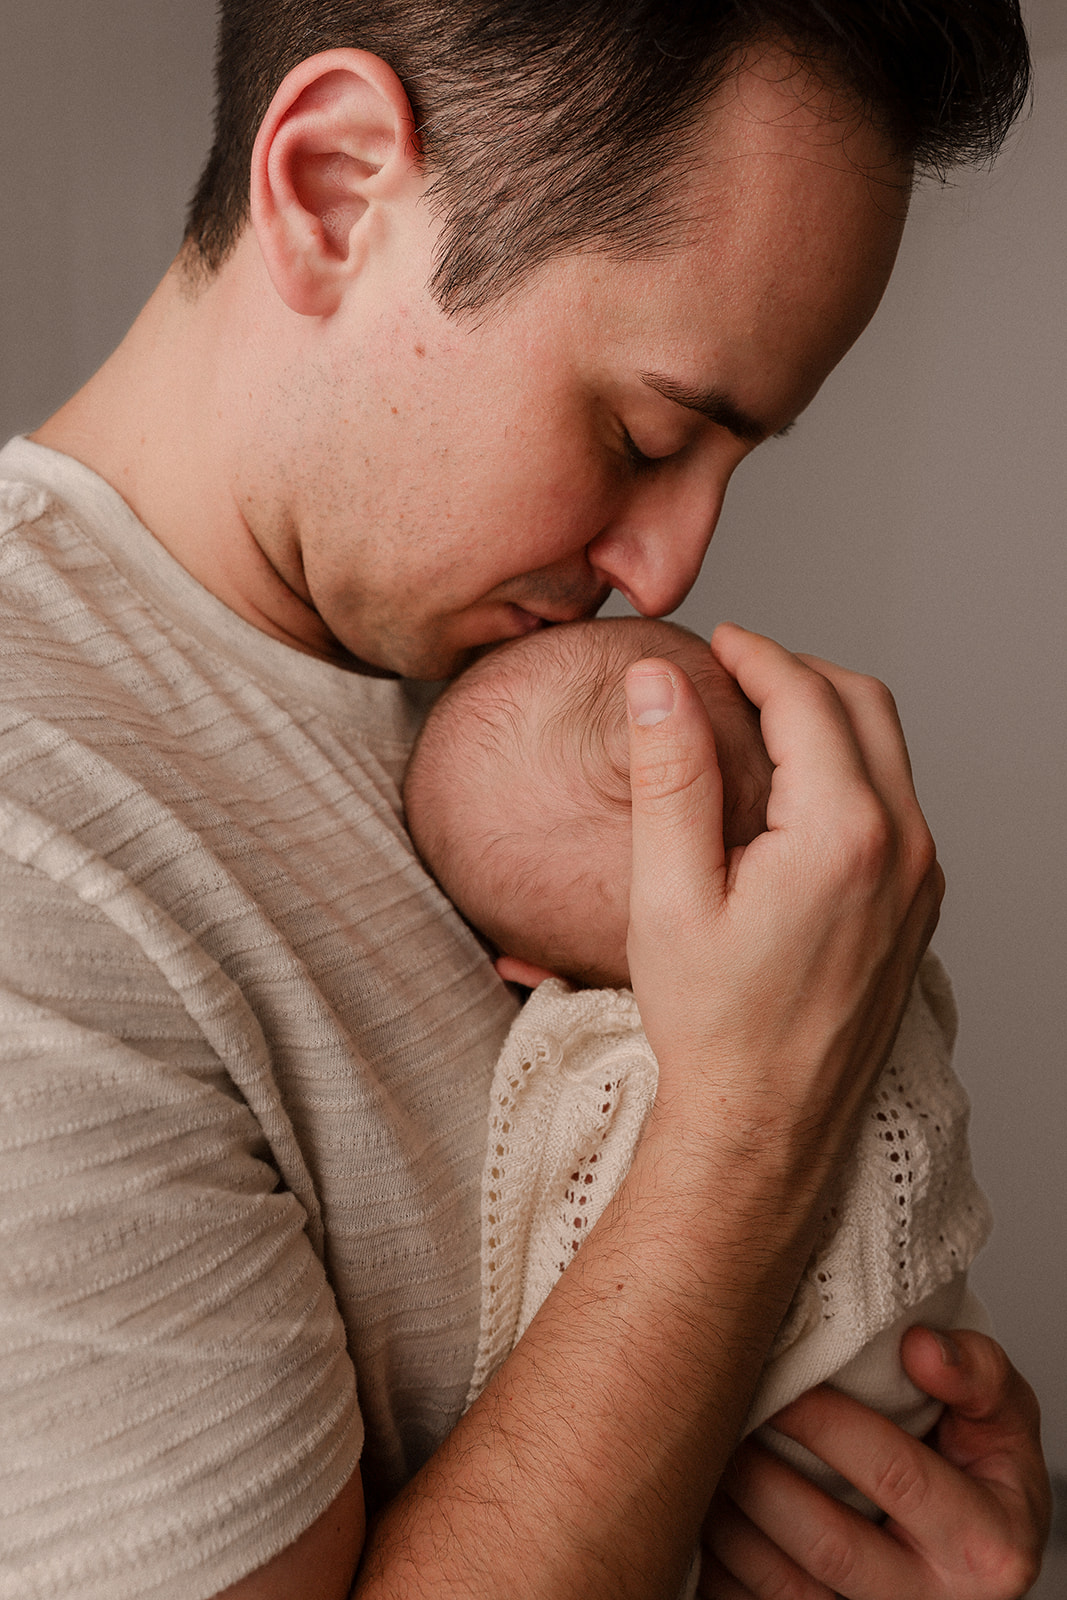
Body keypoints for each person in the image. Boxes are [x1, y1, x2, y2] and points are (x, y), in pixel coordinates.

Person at [0, 3, 1049, 1598]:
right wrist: (750, 1136)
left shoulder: (527, 708)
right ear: (336, 187)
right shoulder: (41, 839)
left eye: (727, 466)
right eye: (641, 433)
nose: (671, 569)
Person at [403, 613, 998, 1590]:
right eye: (641, 447)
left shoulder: (589, 1070)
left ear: (527, 973)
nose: (665, 565)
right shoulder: (880, 961)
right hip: (889, 1442)